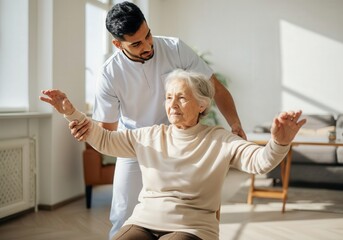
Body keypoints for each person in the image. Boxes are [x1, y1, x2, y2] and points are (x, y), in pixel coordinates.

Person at [40, 69, 306, 240]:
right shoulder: (151, 135)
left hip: (193, 227)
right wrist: (70, 113)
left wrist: (278, 142)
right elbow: (105, 140)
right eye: (168, 97)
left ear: (202, 105)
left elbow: (259, 162)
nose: (172, 104)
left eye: (181, 97)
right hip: (144, 221)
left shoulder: (219, 139)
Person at [74, 2, 247, 239]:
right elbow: (107, 133)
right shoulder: (109, 74)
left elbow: (214, 87)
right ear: (118, 44)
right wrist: (87, 129)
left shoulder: (174, 48)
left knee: (195, 209)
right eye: (136, 43)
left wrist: (235, 124)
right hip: (136, 145)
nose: (147, 45)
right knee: (122, 215)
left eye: (148, 35)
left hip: (178, 140)